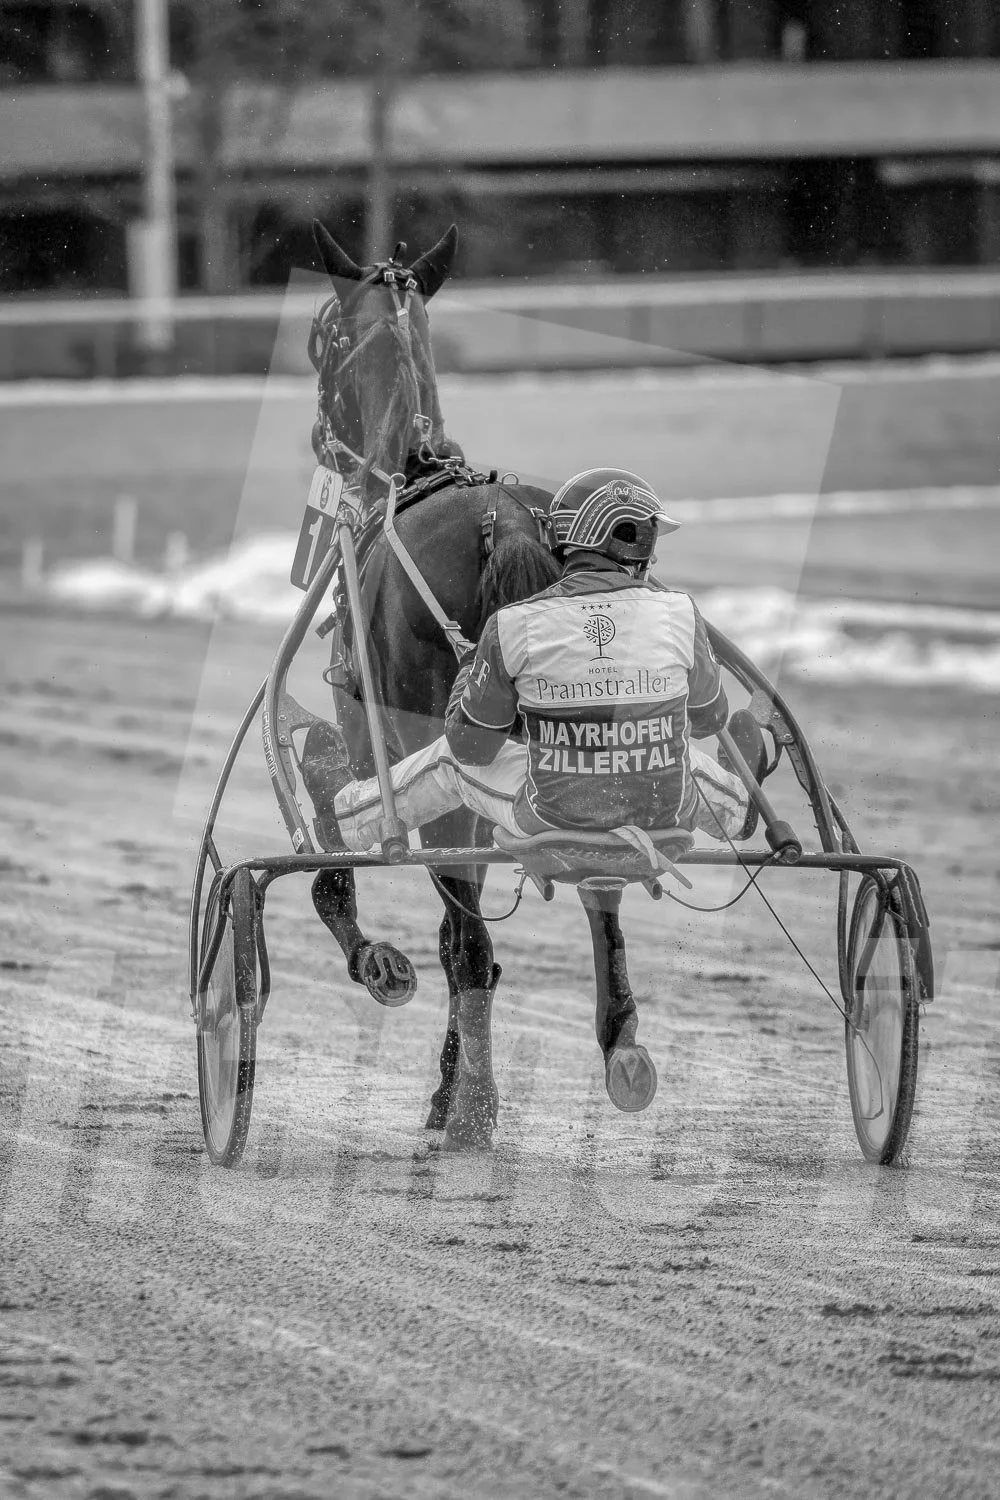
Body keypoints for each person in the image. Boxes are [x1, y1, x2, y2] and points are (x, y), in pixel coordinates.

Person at [301, 467, 772, 853]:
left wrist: (470, 674)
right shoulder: (681, 613)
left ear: (564, 538)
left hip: (551, 811)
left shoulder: (509, 627)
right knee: (679, 752)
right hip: (663, 809)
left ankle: (344, 815)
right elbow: (710, 719)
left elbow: (471, 748)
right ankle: (737, 806)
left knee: (445, 762)